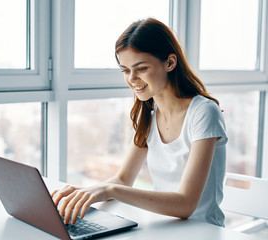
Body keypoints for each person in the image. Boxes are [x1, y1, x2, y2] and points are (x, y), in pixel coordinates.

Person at [51, 18, 228, 227]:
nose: (131, 78)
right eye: (125, 70)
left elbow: (186, 204)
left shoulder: (204, 112)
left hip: (202, 232)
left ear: (170, 63)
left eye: (141, 68)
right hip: (164, 228)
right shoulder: (149, 116)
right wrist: (83, 193)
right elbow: (123, 179)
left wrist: (110, 190)